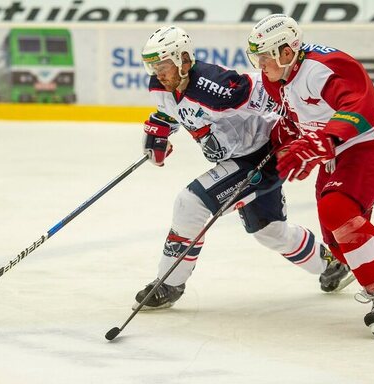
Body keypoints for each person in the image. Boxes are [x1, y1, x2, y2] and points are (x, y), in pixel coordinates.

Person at [246, 14, 374, 337]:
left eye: (264, 57)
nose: (260, 65)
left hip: (372, 143)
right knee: (343, 244)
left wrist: (325, 139)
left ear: (286, 52)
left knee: (338, 210)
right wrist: (275, 147)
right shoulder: (277, 80)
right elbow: (293, 118)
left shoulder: (325, 66)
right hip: (336, 154)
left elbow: (360, 103)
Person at [134, 25, 355, 311]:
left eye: (162, 65)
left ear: (183, 60)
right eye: (151, 66)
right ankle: (330, 266)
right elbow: (174, 110)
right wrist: (160, 128)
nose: (157, 73)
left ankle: (169, 282)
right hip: (235, 159)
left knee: (190, 203)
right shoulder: (159, 86)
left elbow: (277, 94)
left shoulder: (217, 87)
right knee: (270, 231)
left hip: (262, 155)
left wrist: (299, 131)